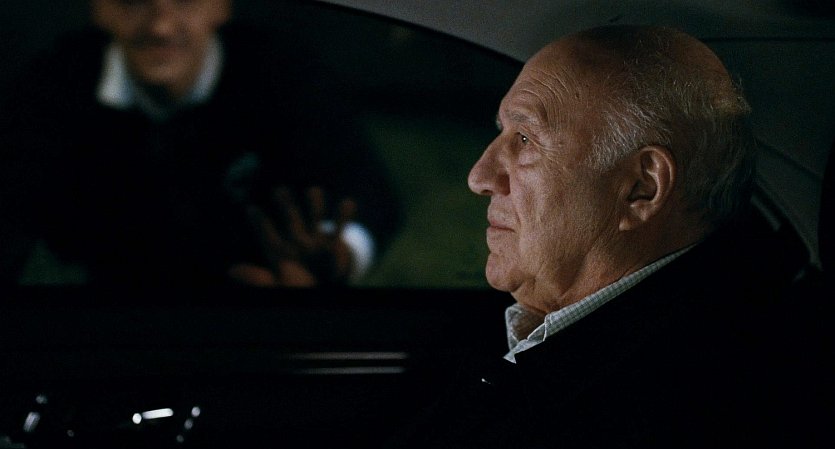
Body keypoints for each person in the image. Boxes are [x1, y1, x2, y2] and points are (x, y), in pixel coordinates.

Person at [386, 25, 812, 448]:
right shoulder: (567, 345)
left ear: (641, 188)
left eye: (525, 139)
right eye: (501, 131)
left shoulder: (688, 404)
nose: (479, 177)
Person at [0, 0, 400, 287]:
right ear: (100, 8)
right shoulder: (52, 86)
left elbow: (363, 186)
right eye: (133, 0)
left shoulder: (284, 74)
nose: (161, 26)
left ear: (220, 6)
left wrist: (333, 258)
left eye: (185, 0)